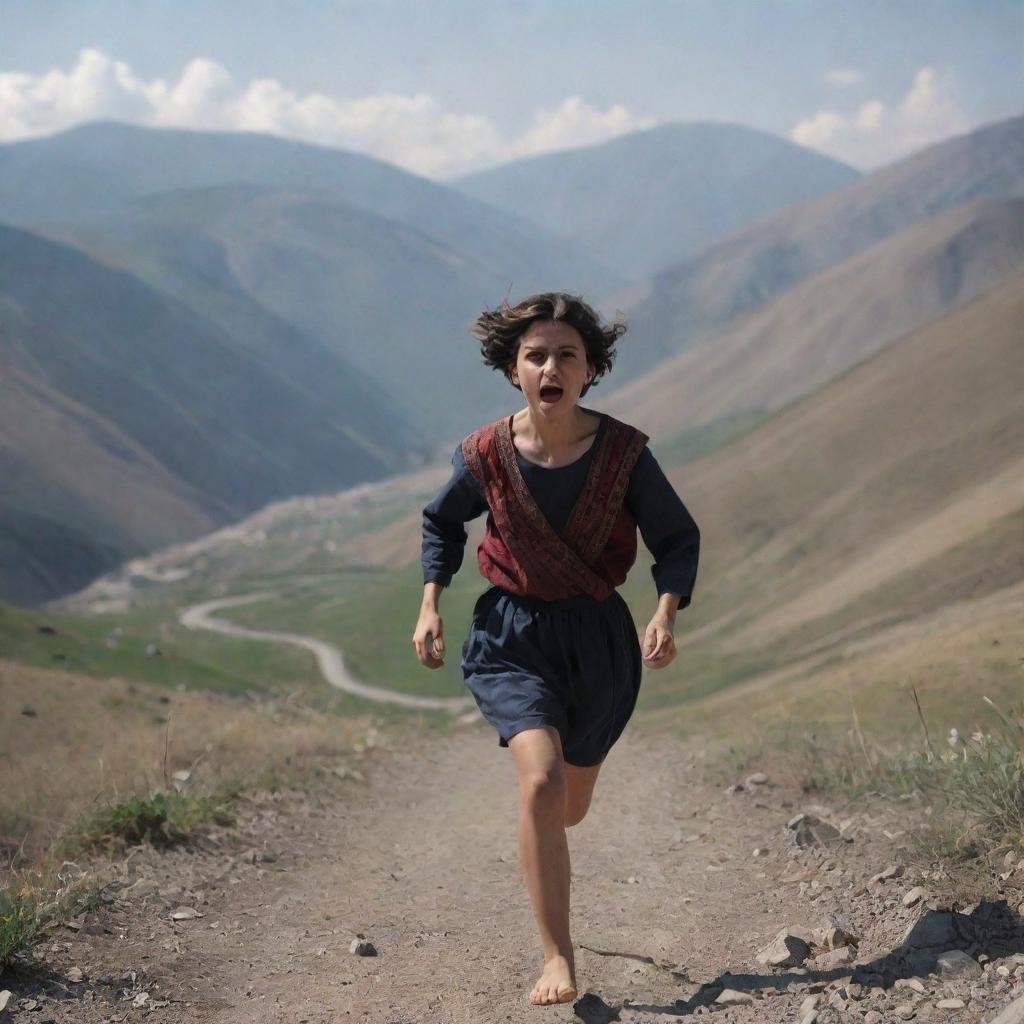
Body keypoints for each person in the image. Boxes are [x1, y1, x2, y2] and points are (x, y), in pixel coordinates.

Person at [411, 292, 700, 1007]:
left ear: (590, 370)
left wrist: (665, 611)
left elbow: (676, 538)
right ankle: (556, 955)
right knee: (538, 784)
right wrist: (430, 604)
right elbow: (442, 524)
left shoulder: (625, 455)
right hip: (511, 635)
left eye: (567, 354)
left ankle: (554, 826)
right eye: (535, 354)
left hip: (599, 642)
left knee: (567, 804)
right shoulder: (485, 454)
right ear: (514, 369)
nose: (550, 365)